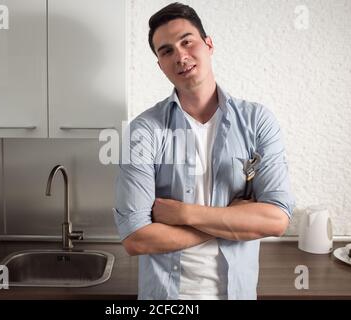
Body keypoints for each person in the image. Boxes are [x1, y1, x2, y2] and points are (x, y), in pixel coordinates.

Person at [113, 2, 295, 300]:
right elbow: (136, 239)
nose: (180, 56)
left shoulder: (257, 120)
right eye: (166, 50)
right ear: (160, 64)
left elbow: (276, 220)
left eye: (187, 42)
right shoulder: (143, 131)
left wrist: (184, 213)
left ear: (208, 44)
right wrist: (234, 221)